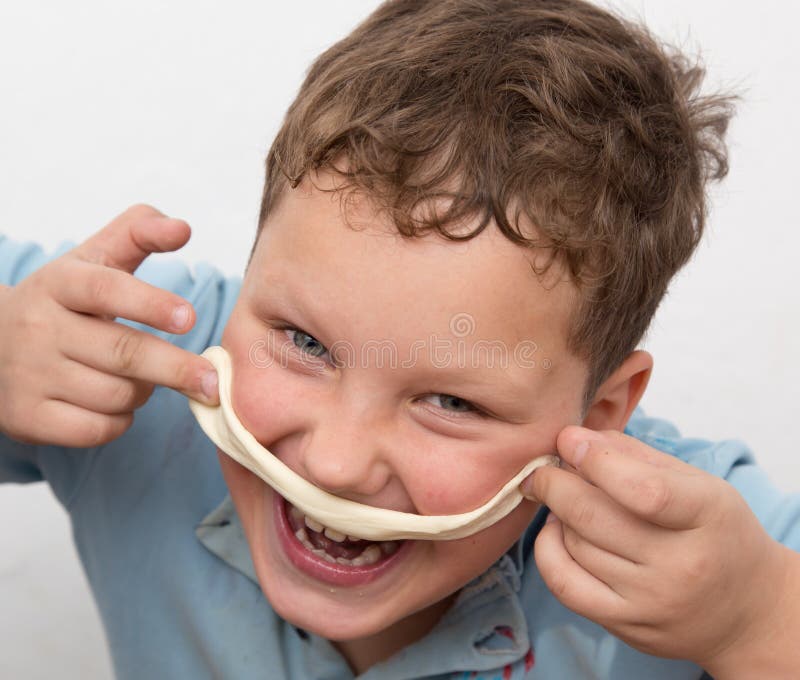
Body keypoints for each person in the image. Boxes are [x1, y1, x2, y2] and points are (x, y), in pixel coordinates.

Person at [1, 0, 799, 678]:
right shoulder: (131, 351)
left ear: (599, 415)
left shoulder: (706, 559)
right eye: (304, 342)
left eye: (451, 401)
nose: (335, 464)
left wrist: (755, 623)